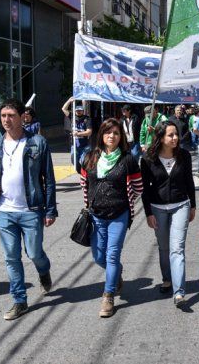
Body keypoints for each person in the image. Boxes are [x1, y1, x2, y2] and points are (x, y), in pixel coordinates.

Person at [0, 98, 58, 321]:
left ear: (21, 116)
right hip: (5, 211)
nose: (6, 120)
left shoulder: (37, 143)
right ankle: (20, 300)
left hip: (31, 209)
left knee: (35, 253)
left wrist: (50, 210)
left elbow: (48, 179)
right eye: (3, 115)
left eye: (11, 115)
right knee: (11, 258)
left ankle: (43, 270)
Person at [80, 118, 143, 317]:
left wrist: (128, 197)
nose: (112, 136)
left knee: (112, 254)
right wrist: (89, 204)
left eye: (116, 133)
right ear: (101, 135)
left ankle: (108, 295)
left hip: (119, 214)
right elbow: (84, 183)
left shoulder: (128, 159)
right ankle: (116, 273)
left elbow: (138, 186)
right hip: (96, 215)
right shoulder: (89, 157)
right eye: (108, 132)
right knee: (99, 256)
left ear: (120, 137)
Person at [141, 122, 196, 308]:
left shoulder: (184, 155)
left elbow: (189, 180)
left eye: (176, 135)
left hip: (181, 205)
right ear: (161, 137)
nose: (175, 138)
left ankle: (179, 292)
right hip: (157, 208)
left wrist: (193, 205)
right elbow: (144, 190)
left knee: (177, 249)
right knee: (164, 248)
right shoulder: (148, 159)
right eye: (170, 135)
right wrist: (148, 212)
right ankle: (167, 278)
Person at [62, 97, 92, 173]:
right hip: (74, 146)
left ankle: (85, 176)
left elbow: (89, 132)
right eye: (77, 110)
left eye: (80, 111)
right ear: (75, 111)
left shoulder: (87, 119)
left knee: (84, 162)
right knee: (74, 161)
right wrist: (69, 100)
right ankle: (81, 173)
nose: (78, 112)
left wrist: (78, 133)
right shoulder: (72, 117)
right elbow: (64, 109)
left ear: (83, 111)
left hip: (85, 146)